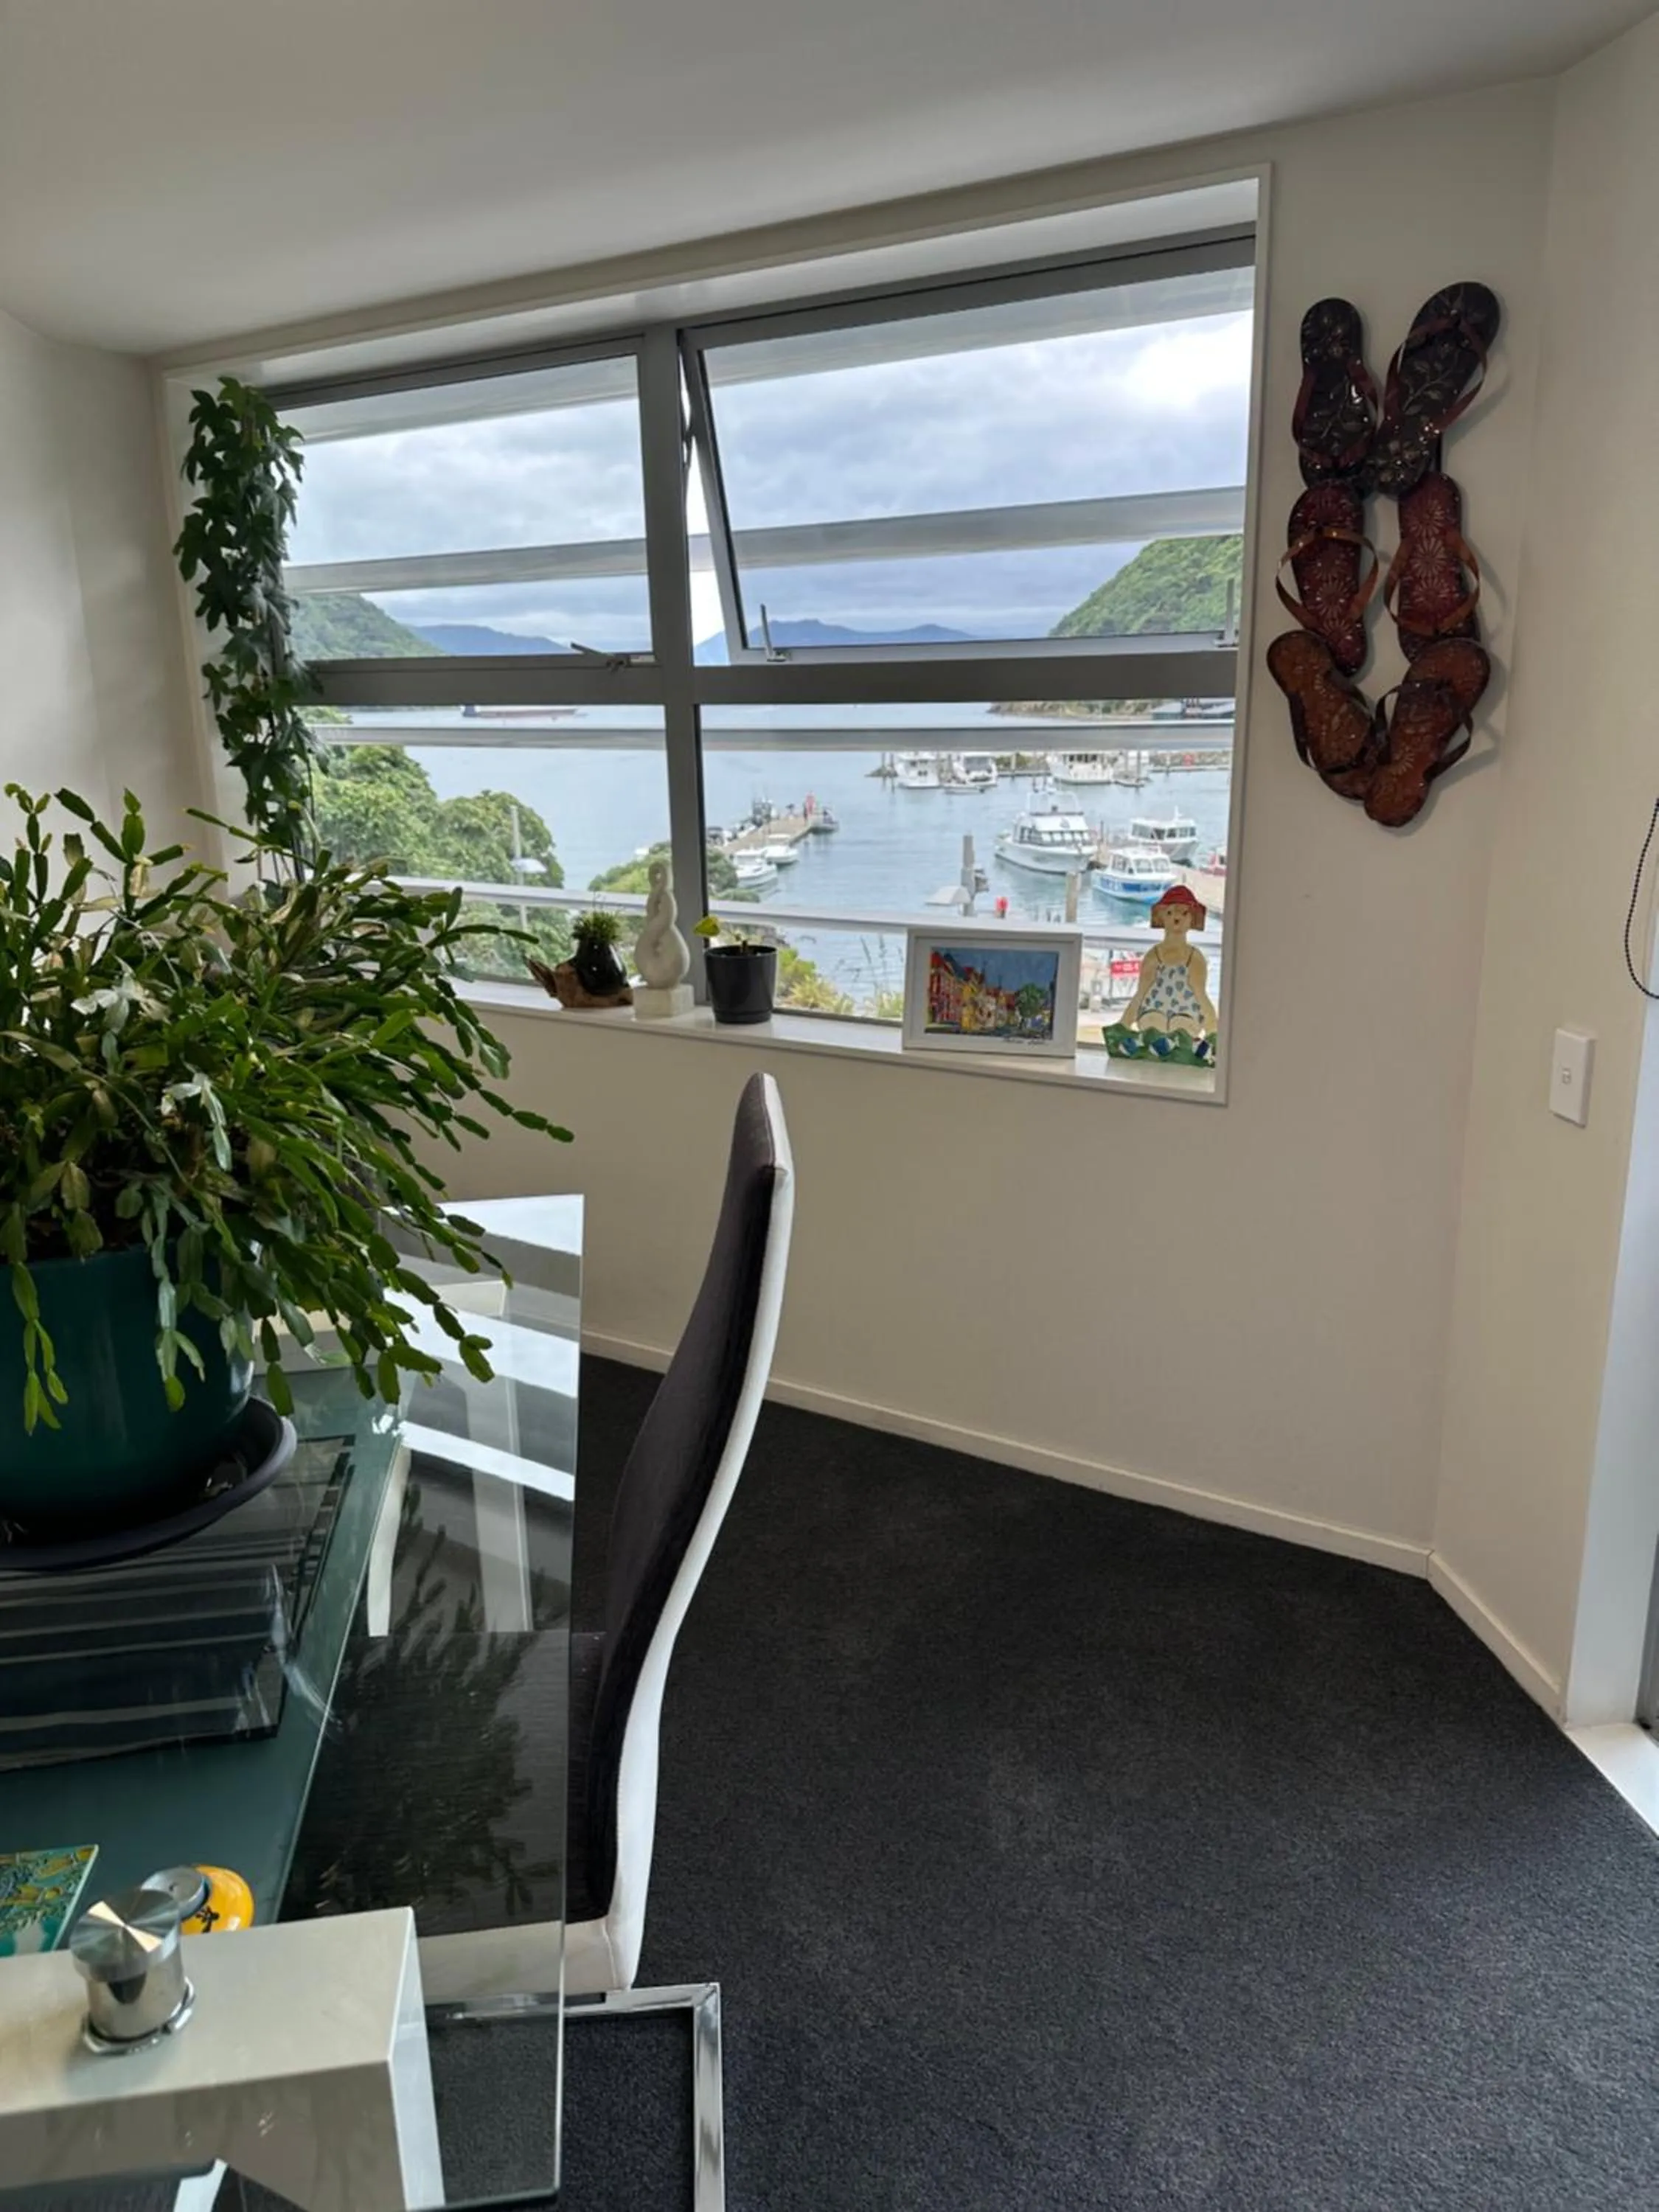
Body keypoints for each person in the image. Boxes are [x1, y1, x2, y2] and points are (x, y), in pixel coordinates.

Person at [1120, 883, 1217, 1038]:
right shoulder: (1153, 956)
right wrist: (1124, 1024)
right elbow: (1141, 992)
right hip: (1153, 1012)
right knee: (1153, 1023)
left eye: (1184, 913)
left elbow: (1201, 995)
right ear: (1161, 917)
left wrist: (1212, 1028)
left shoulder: (1195, 958)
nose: (1177, 918)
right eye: (1170, 913)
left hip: (1186, 1014)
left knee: (1181, 1026)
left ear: (1192, 919)